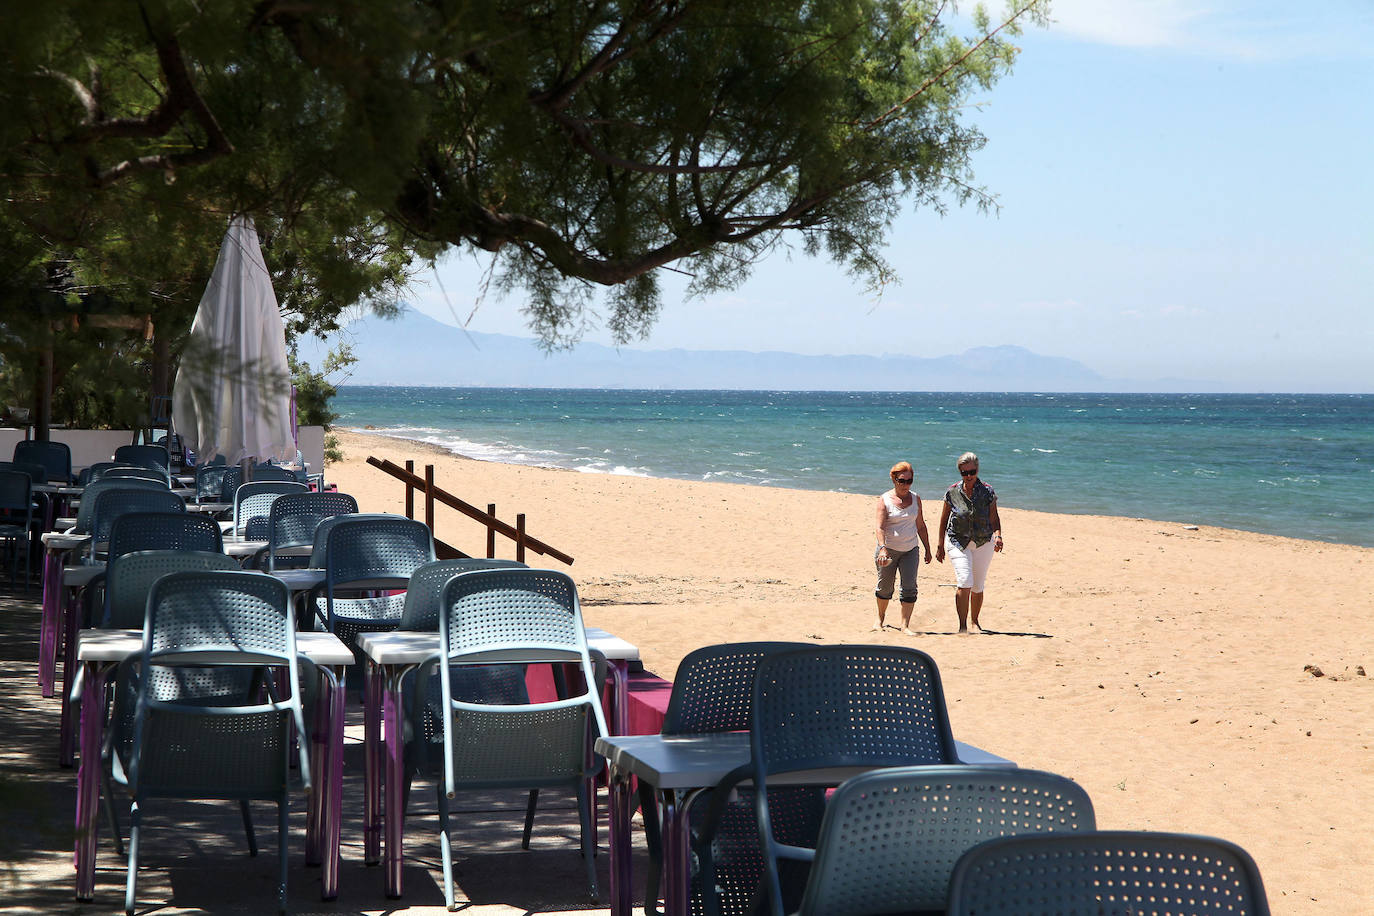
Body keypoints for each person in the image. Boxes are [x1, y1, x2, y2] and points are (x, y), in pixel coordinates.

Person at [935, 452, 1004, 633]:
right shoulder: (952, 492)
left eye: (972, 471)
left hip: (983, 541)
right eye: (964, 473)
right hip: (958, 541)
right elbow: (943, 520)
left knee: (978, 585)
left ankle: (975, 622)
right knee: (965, 580)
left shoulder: (987, 491)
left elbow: (994, 517)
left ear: (977, 469)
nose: (969, 476)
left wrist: (998, 536)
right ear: (960, 472)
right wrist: (940, 545)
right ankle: (962, 626)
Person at [872, 460, 932, 634]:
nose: (906, 485)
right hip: (888, 550)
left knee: (909, 587)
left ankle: (905, 625)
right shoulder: (884, 500)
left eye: (909, 481)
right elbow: (880, 527)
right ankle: (880, 619)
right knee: (885, 587)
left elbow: (921, 525)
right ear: (894, 480)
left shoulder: (915, 499)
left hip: (910, 550)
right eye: (902, 481)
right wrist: (882, 547)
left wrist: (927, 548)